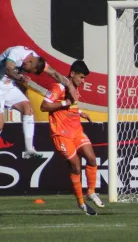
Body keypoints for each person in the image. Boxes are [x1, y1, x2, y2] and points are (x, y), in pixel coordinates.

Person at [0, 45, 77, 174]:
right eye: (29, 70)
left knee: (28, 109)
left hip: (8, 86)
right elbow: (8, 70)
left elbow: (54, 73)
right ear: (28, 62)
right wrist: (20, 78)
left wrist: (70, 86)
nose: (27, 72)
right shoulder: (16, 53)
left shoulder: (36, 60)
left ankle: (29, 150)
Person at [40, 60, 104, 215]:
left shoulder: (73, 88)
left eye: (84, 79)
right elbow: (44, 106)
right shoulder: (59, 87)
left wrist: (80, 112)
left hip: (76, 131)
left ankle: (90, 192)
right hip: (61, 135)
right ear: (72, 74)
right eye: (81, 77)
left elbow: (71, 106)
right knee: (75, 165)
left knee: (92, 158)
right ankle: (81, 203)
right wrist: (65, 102)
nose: (83, 81)